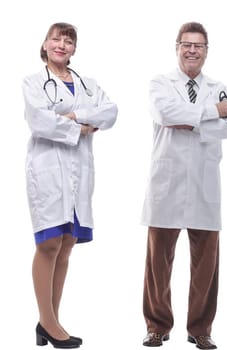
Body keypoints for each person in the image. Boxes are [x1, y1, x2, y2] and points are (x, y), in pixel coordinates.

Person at [140, 22, 227, 350]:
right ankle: (157, 326)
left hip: (204, 183)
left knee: (206, 264)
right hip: (166, 184)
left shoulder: (219, 85)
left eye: (198, 45)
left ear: (207, 51)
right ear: (177, 48)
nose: (192, 50)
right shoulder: (160, 83)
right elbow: (166, 113)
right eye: (186, 44)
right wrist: (211, 113)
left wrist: (193, 121)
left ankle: (200, 329)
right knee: (158, 261)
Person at [23, 22, 117, 349]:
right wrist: (81, 123)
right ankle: (47, 321)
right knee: (48, 243)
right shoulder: (34, 83)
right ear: (45, 44)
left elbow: (110, 112)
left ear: (74, 49)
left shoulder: (87, 84)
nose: (62, 44)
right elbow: (40, 121)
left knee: (65, 244)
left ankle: (51, 321)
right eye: (56, 39)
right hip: (48, 169)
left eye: (68, 41)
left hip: (79, 171)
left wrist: (69, 116)